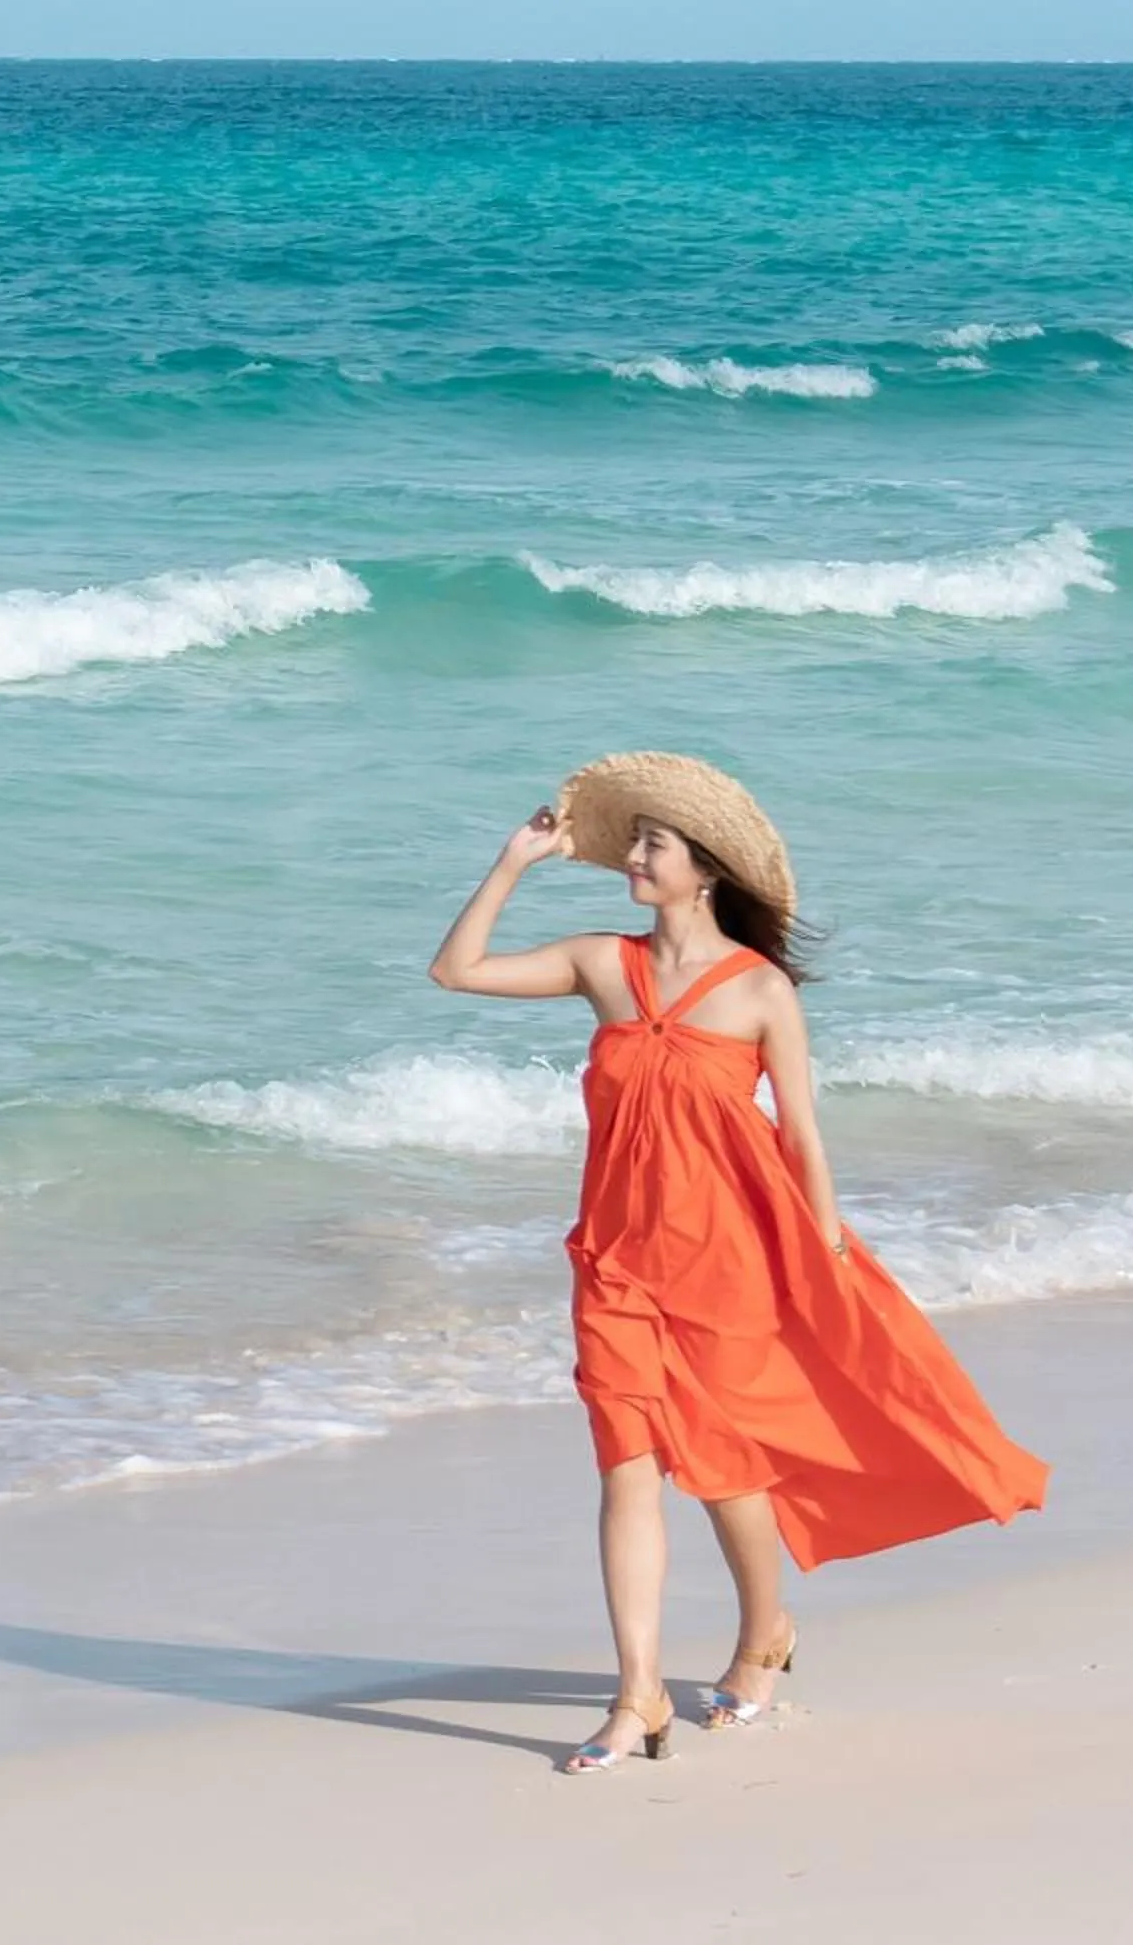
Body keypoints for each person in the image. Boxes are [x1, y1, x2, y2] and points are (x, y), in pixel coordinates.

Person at [428, 751, 1047, 1773]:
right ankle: (637, 1696)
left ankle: (765, 1632)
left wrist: (828, 1244)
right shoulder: (602, 964)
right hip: (615, 1261)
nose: (633, 857)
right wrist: (511, 865)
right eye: (634, 842)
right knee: (626, 1471)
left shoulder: (759, 992)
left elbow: (801, 1133)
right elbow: (457, 972)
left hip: (724, 1261)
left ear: (705, 868)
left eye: (652, 844)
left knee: (724, 1472)